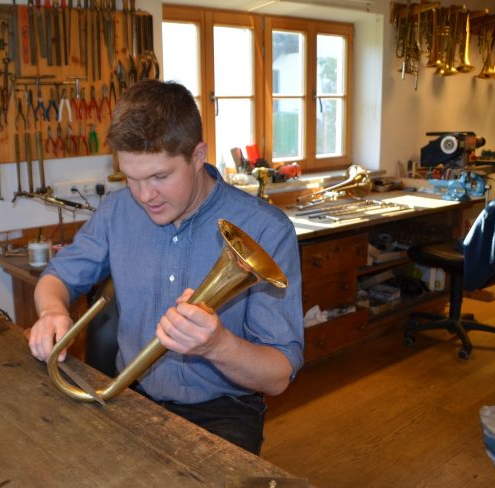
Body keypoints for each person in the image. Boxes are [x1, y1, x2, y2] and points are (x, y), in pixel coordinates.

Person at [28, 79, 304, 455]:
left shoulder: (266, 229)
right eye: (131, 178)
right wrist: (51, 312)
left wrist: (217, 345)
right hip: (132, 395)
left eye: (160, 177)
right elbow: (57, 277)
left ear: (198, 155)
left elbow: (278, 376)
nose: (145, 196)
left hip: (223, 412)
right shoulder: (116, 211)